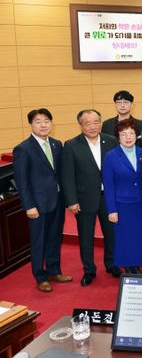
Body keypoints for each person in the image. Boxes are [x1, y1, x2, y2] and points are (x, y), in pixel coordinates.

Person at [13, 108, 72, 292]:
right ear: (31, 124)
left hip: (57, 200)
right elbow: (22, 182)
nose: (43, 125)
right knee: (39, 241)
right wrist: (29, 205)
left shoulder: (56, 144)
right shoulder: (23, 149)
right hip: (37, 204)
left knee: (55, 237)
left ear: (51, 123)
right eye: (38, 122)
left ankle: (54, 271)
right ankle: (40, 276)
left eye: (46, 121)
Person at [61, 109, 119, 286]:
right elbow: (67, 176)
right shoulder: (71, 145)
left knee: (112, 234)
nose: (93, 126)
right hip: (84, 199)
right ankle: (89, 270)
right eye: (88, 123)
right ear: (80, 125)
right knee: (86, 237)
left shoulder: (111, 141)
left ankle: (111, 264)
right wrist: (71, 201)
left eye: (96, 122)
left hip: (108, 197)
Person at [102, 119, 142, 274]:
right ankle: (129, 266)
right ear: (118, 137)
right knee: (125, 237)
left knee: (139, 235)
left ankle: (136, 264)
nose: (128, 137)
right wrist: (111, 209)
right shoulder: (111, 156)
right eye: (123, 134)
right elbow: (108, 185)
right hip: (122, 204)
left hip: (140, 203)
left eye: (131, 133)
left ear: (136, 135)